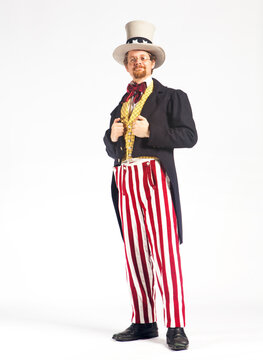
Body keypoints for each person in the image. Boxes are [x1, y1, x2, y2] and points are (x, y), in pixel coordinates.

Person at [103, 20, 197, 351]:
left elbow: (188, 136)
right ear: (127, 65)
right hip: (124, 179)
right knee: (136, 253)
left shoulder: (172, 97)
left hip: (154, 176)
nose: (137, 63)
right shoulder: (121, 103)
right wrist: (111, 138)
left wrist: (149, 134)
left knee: (165, 253)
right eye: (131, 59)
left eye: (142, 58)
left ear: (152, 62)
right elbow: (111, 145)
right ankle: (144, 321)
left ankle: (175, 324)